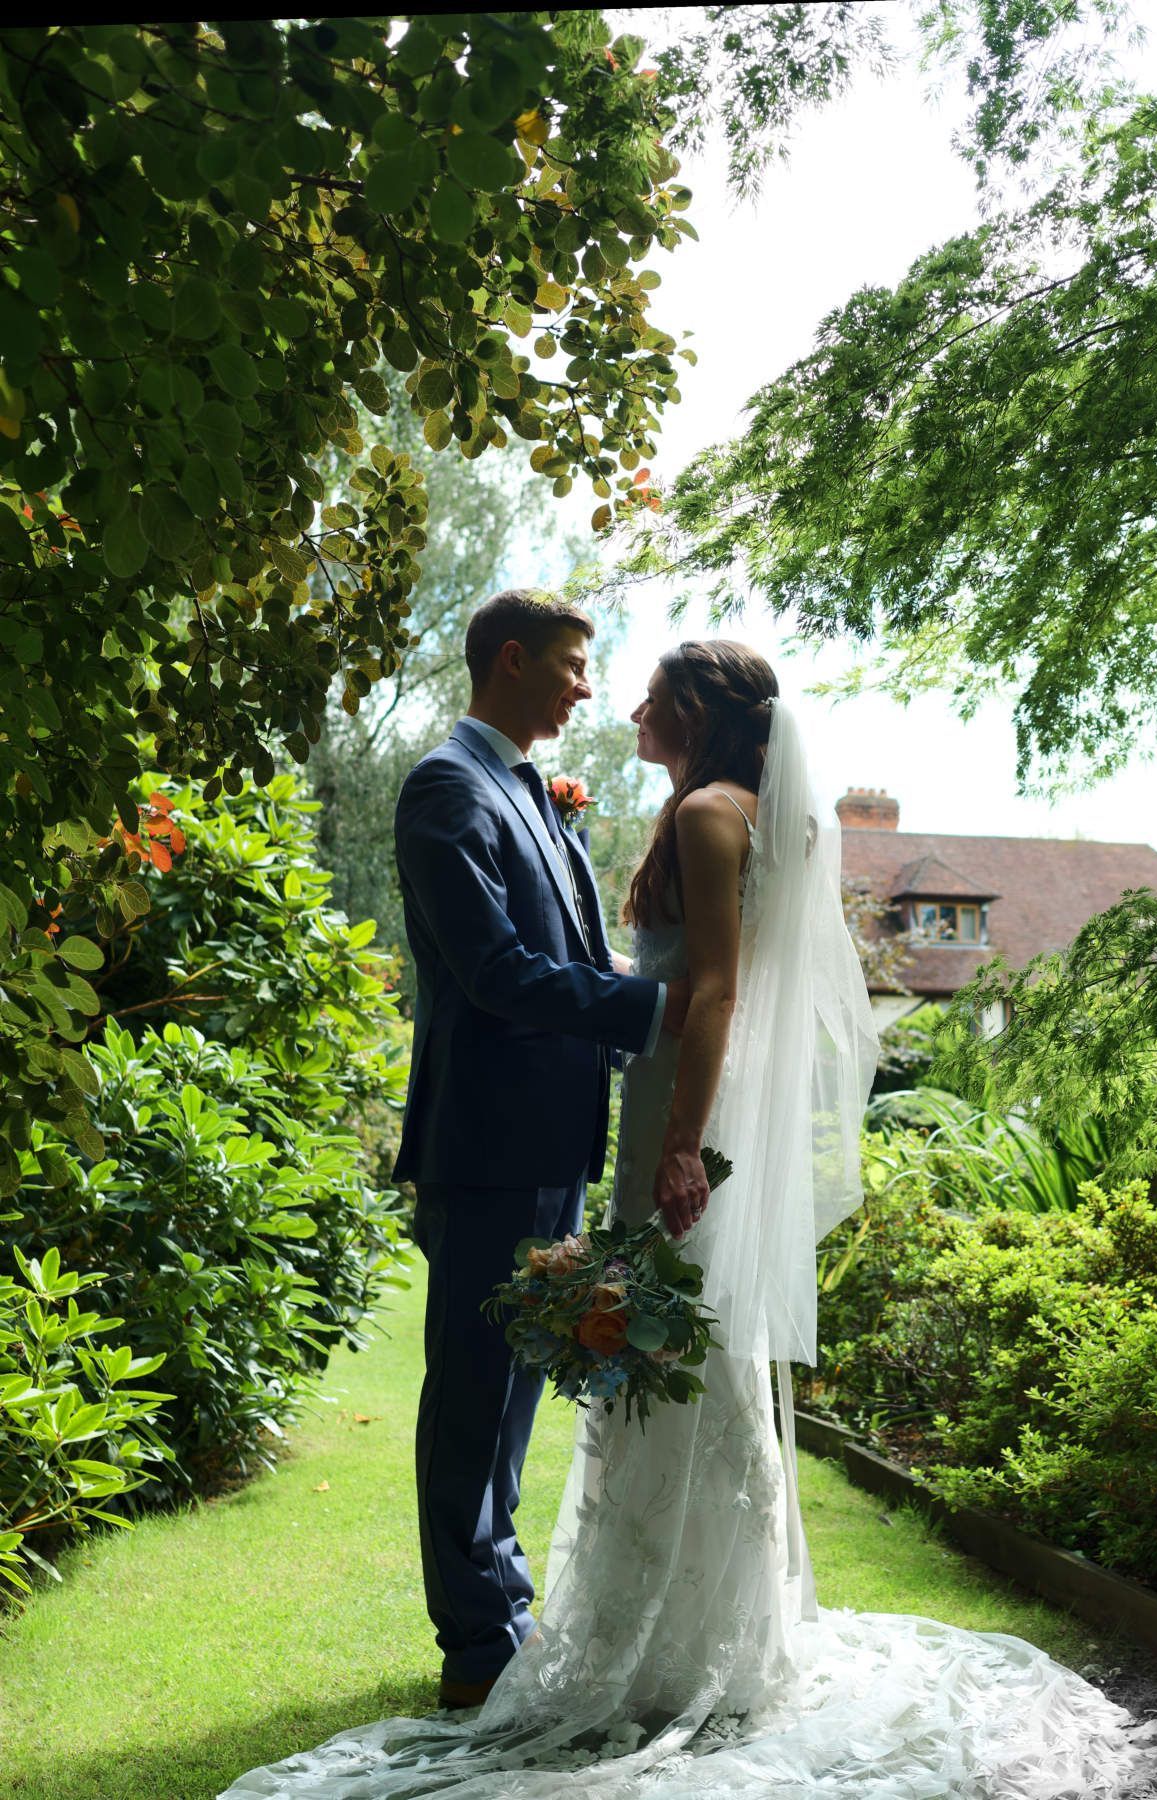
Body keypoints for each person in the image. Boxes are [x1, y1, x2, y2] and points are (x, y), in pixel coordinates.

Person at [222, 640, 1157, 1799]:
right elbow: (594, 972)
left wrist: (677, 1142)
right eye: (582, 671)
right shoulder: (608, 798)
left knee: (666, 1358)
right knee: (626, 1361)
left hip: (672, 1115)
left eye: (649, 696)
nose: (615, 705)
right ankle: (615, 1631)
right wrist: (650, 1013)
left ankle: (667, 1637)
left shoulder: (712, 812)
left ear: (701, 710)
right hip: (604, 1114)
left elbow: (710, 990)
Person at [387, 589, 689, 1712]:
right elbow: (495, 971)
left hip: (557, 1138)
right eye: (567, 665)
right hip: (488, 1142)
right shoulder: (444, 788)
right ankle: (475, 1644)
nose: (582, 687)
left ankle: (501, 1607)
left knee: (517, 1389)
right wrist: (654, 1012)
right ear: (509, 661)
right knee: (473, 1389)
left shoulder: (532, 792)